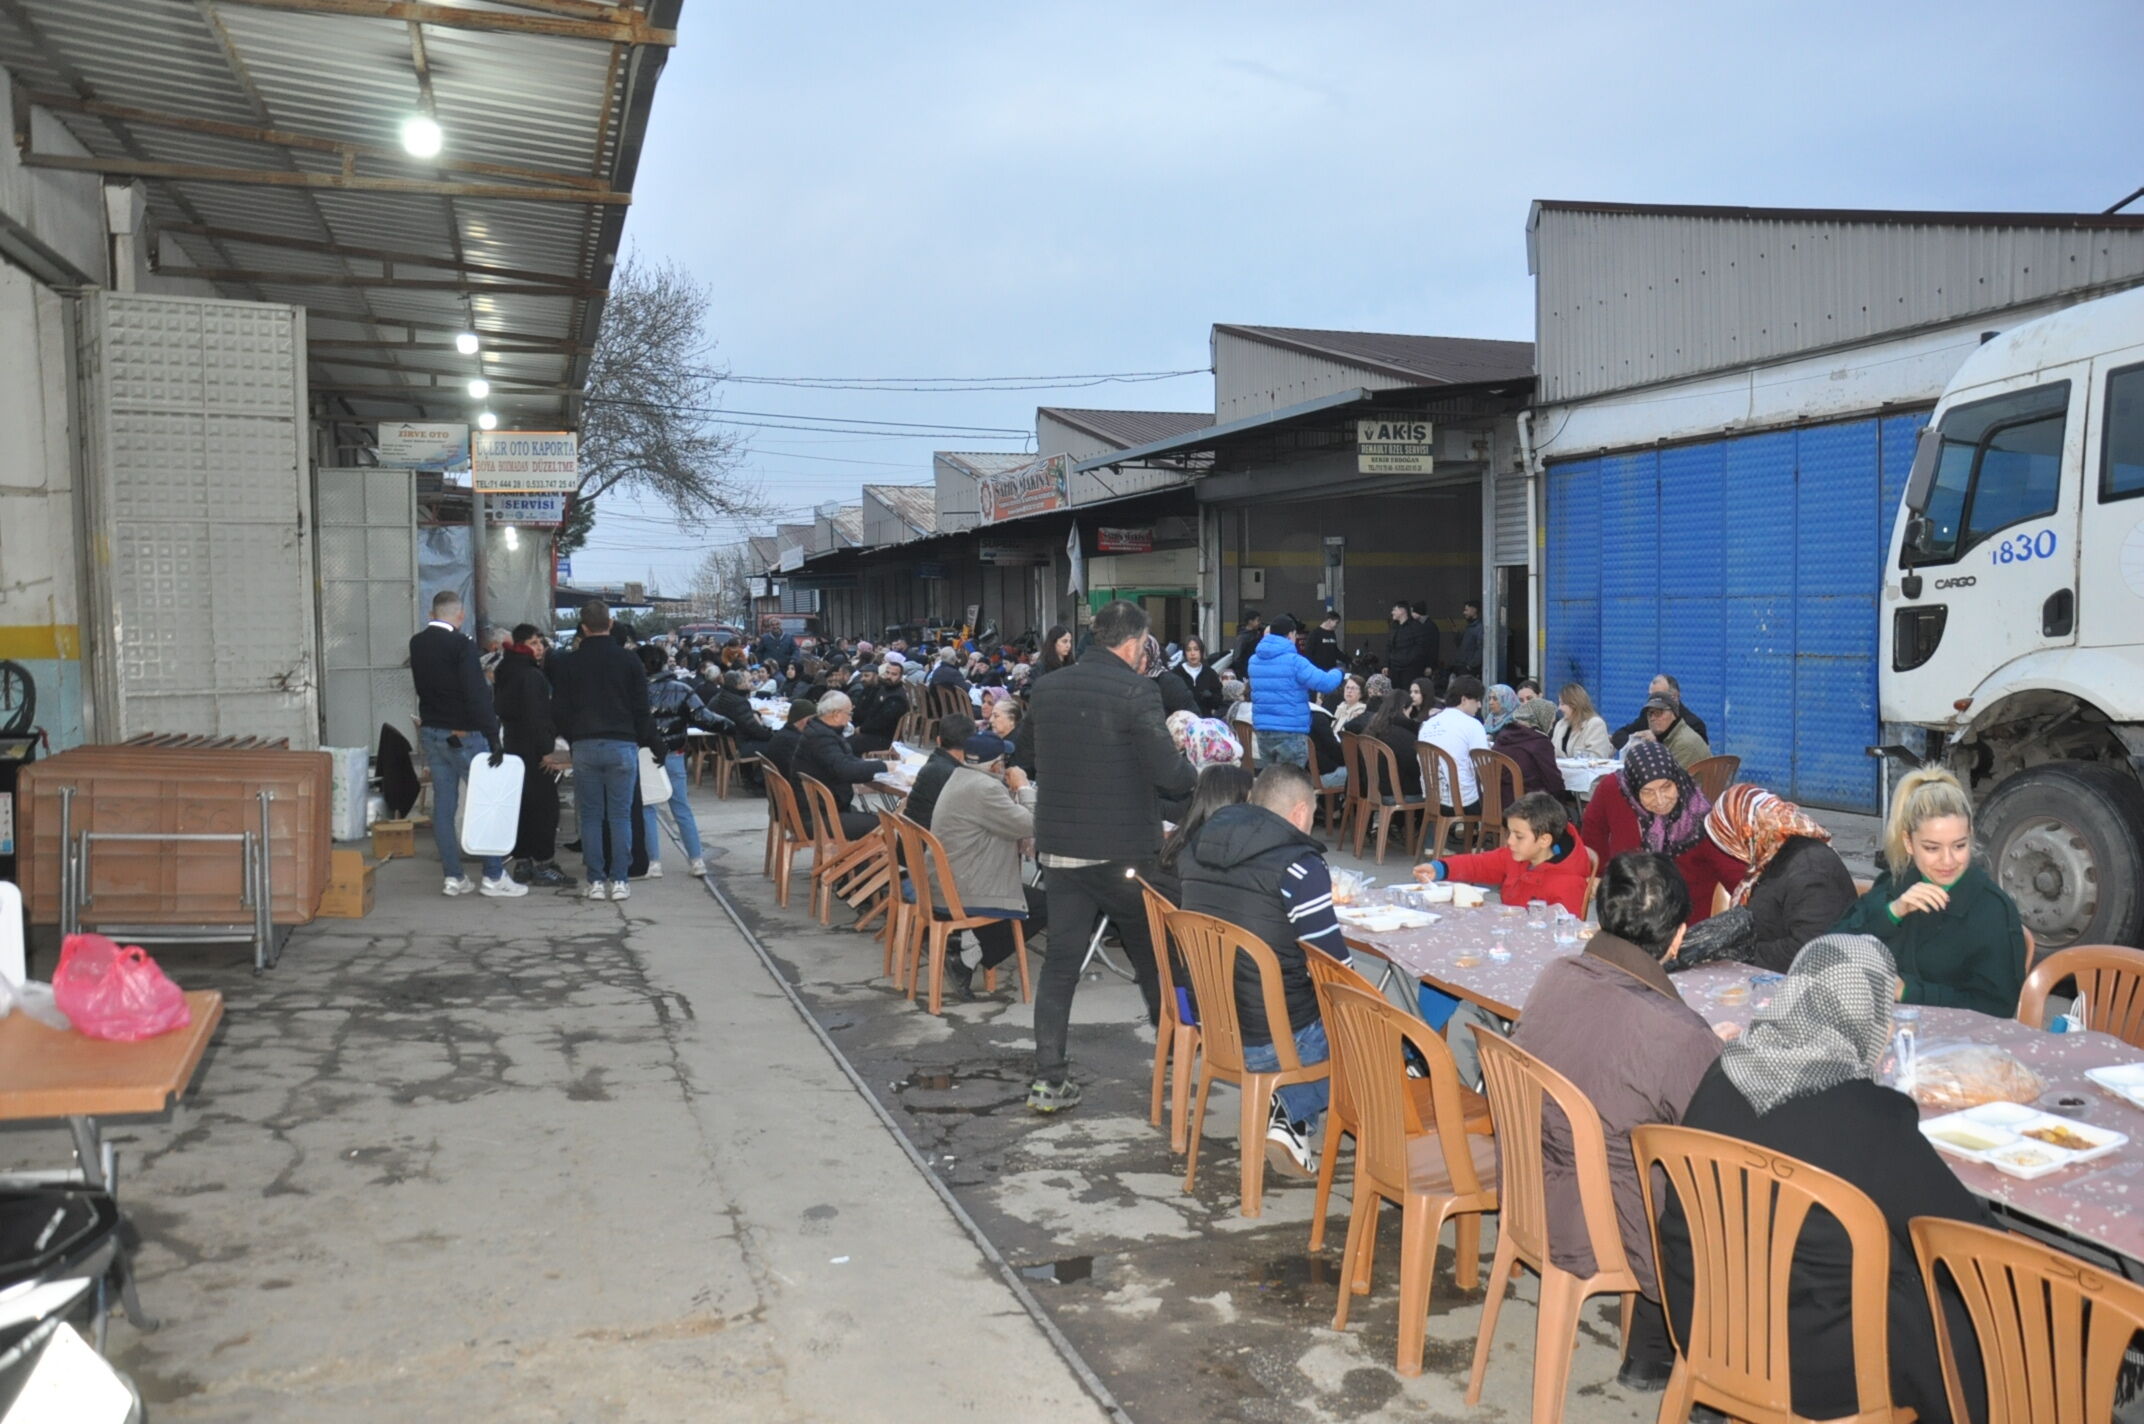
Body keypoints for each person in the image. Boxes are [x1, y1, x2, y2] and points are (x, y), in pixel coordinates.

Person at [1660, 935, 1991, 1422]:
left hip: (1707, 1322)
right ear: (1870, 1017)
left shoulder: (1725, 1071)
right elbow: (1962, 1238)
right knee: (1955, 1305)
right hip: (1816, 1365)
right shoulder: (1870, 1116)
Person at [1511, 851, 1733, 1393]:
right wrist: (1719, 1055)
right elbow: (1716, 1141)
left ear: (1599, 916)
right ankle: (1681, 1360)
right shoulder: (1678, 1031)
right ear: (1679, 938)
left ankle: (1653, 1352)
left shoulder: (1557, 973)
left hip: (1526, 1188)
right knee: (1722, 1194)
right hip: (1602, 1222)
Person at [1027, 599, 1197, 1114]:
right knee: (1163, 955)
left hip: (1059, 849)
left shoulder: (1047, 686)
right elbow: (1169, 775)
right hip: (1124, 852)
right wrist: (1192, 766)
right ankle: (1182, 1044)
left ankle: (1049, 1079)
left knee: (1061, 963)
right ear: (1135, 643)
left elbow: (1037, 757)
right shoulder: (1137, 690)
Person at [1179, 765, 1350, 1176]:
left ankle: (1290, 1120)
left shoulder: (1195, 848)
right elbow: (1335, 969)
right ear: (1298, 812)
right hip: (1277, 1037)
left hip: (1217, 1027)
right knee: (1387, 1044)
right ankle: (1289, 1109)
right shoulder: (1299, 866)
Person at [1829, 767, 2027, 1016]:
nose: (1948, 861)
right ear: (1909, 843)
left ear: (1971, 837)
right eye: (1932, 848)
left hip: (1956, 1044)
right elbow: (1831, 948)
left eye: (1959, 846)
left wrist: (1908, 992)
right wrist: (1892, 912)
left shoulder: (1992, 909)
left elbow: (1997, 1006)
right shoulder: (1894, 884)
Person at [409, 591, 525, 899]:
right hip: (465, 735)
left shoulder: (417, 644)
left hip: (432, 732)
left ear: (431, 613)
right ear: (459, 615)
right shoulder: (462, 645)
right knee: (485, 804)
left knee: (444, 808)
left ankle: (454, 877)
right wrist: (492, 735)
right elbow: (476, 695)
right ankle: (493, 874)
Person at [549, 599, 659, 902]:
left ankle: (596, 881)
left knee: (592, 817)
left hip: (584, 744)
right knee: (620, 816)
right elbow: (642, 708)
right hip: (622, 744)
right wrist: (638, 738)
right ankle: (620, 880)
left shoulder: (568, 662)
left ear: (582, 627)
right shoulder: (629, 662)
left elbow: (558, 708)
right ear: (610, 624)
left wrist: (573, 738)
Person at [1682, 784, 1859, 972]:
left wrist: (1739, 954)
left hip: (1818, 978)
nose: (1728, 850)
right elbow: (1764, 915)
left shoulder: (1810, 871)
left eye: (1727, 840)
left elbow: (1812, 950)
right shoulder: (1772, 853)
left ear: (1744, 834)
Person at [929, 730, 1047, 1002]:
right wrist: (1024, 787)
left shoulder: (960, 776)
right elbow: (1030, 823)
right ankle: (968, 955)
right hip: (966, 887)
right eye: (1004, 760)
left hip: (948, 878)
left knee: (1030, 897)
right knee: (1043, 906)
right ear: (995, 765)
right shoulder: (986, 788)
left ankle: (968, 940)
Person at [1579, 740, 1734, 926]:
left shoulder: (1698, 818)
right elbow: (1593, 831)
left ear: (1676, 779)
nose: (1660, 800)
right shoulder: (1613, 789)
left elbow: (1733, 873)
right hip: (1630, 905)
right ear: (1634, 788)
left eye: (1666, 787)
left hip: (1687, 916)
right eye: (1648, 792)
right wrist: (1600, 876)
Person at [1414, 791, 1588, 915]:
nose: (1510, 841)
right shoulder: (1516, 856)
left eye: (1518, 836)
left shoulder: (1568, 884)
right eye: (1509, 833)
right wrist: (1439, 868)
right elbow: (1479, 864)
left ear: (1544, 840)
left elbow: (1566, 937)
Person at [492, 624, 572, 889]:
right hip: (536, 753)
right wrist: (548, 751)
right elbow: (538, 717)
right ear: (521, 645)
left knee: (523, 809)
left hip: (514, 749)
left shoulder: (504, 671)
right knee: (544, 810)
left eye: (541, 643)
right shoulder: (531, 676)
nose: (540, 648)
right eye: (535, 643)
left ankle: (523, 861)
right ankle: (543, 864)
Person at [638, 646, 716, 878]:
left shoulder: (636, 690)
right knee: (681, 807)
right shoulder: (682, 689)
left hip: (645, 753)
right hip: (675, 752)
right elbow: (704, 717)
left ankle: (653, 862)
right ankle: (696, 859)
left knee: (648, 808)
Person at [793, 691, 897, 844]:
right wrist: (885, 765)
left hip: (820, 809)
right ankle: (872, 867)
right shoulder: (821, 738)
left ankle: (862, 866)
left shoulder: (819, 730)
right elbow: (845, 770)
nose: (850, 718)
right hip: (817, 817)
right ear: (836, 714)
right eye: (849, 713)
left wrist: (873, 765)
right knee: (885, 826)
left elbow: (847, 760)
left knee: (882, 821)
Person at [1247, 614, 1345, 770]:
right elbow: (1325, 683)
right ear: (1291, 634)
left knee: (1272, 782)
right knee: (1290, 782)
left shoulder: (1254, 661)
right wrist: (1339, 672)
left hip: (1263, 730)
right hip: (1290, 731)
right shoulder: (1295, 661)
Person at [1417, 675, 1491, 820]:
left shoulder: (1427, 724)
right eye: (1477, 700)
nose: (1480, 705)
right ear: (1464, 700)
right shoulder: (1472, 724)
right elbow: (1484, 766)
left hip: (1432, 798)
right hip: (1464, 802)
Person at [904, 714, 974, 830]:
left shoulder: (934, 764)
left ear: (938, 740)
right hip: (931, 844)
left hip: (913, 839)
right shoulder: (953, 774)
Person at [1610, 673, 1711, 749]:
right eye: (1650, 696)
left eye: (1658, 697)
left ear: (1675, 697)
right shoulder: (1648, 714)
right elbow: (1620, 734)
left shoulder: (1693, 724)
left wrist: (1656, 742)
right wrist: (1635, 743)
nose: (1653, 717)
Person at [1357, 689, 1425, 800]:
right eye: (1410, 710)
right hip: (1397, 793)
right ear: (1404, 708)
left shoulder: (1372, 729)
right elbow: (1416, 767)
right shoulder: (1404, 735)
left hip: (1373, 789)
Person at [1491, 707, 1565, 799]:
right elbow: (1553, 780)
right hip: (1528, 804)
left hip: (1495, 800)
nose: (1551, 727)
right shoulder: (1540, 742)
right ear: (1541, 719)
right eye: (1551, 722)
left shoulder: (1502, 736)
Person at [1630, 694, 1710, 769]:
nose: (1652, 718)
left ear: (1673, 714)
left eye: (1658, 713)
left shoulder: (1684, 743)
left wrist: (1654, 747)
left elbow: (1666, 779)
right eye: (1650, 713)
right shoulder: (1670, 736)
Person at [851, 661, 909, 753]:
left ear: (900, 677)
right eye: (887, 672)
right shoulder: (884, 689)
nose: (889, 676)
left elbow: (882, 722)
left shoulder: (897, 697)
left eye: (894, 674)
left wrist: (861, 729)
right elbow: (871, 711)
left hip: (883, 738)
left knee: (847, 744)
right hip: (872, 732)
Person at [763, 697, 818, 785]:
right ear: (805, 720)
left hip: (781, 787)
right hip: (792, 789)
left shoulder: (783, 733)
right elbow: (802, 771)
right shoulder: (794, 741)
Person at [1552, 682, 1615, 759]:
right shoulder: (1560, 724)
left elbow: (1597, 757)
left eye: (1562, 704)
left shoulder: (1595, 724)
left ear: (1574, 704)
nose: (1559, 708)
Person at [1168, 636, 1226, 719]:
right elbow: (1170, 699)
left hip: (1204, 721)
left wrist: (1210, 697)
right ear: (1185, 653)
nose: (1192, 653)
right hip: (1182, 721)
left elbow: (1219, 700)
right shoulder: (1176, 673)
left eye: (1196, 649)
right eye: (1189, 650)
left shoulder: (1209, 673)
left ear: (1201, 652)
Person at [711, 670, 772, 746]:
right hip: (734, 745)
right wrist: (770, 735)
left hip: (715, 741)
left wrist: (754, 713)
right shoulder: (739, 702)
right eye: (744, 682)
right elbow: (754, 729)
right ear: (737, 685)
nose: (746, 684)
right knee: (774, 746)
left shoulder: (718, 697)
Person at [985, 694, 1035, 780]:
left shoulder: (1021, 743)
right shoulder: (991, 736)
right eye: (992, 716)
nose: (991, 720)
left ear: (1012, 719)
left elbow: (1023, 773)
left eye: (996, 716)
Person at [1386, 601, 1434, 690]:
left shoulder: (1416, 627)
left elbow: (1421, 647)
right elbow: (1389, 647)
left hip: (1410, 669)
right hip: (1395, 668)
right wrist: (1387, 665)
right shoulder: (1394, 627)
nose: (1392, 612)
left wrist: (1408, 659)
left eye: (1394, 610)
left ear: (1402, 611)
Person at [1452, 598, 1484, 678]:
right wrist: (1456, 634)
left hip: (1468, 669)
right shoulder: (1469, 627)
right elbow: (1461, 645)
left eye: (1466, 610)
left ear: (1474, 610)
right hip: (1462, 666)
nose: (1464, 612)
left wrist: (1471, 665)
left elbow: (1481, 648)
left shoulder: (1479, 628)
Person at [1229, 609, 1265, 674]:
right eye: (1258, 620)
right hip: (1246, 671)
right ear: (1250, 621)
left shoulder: (1258, 634)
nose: (1259, 623)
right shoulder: (1243, 637)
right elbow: (1237, 657)